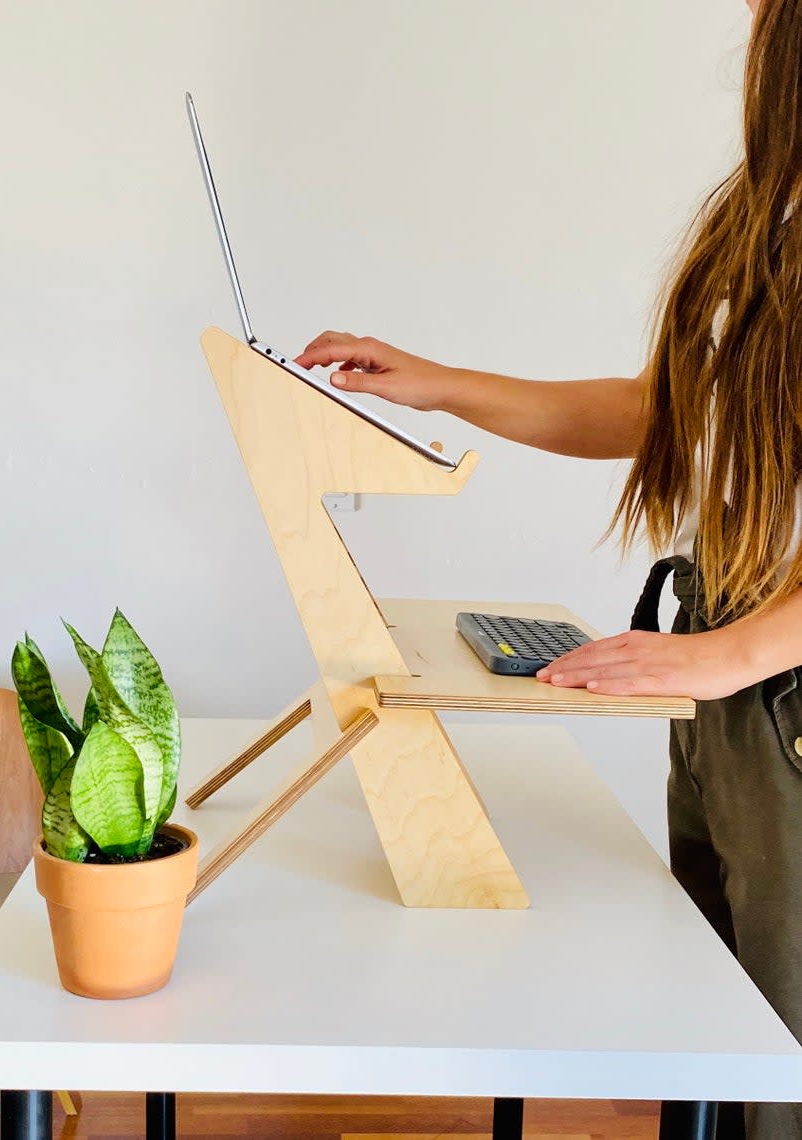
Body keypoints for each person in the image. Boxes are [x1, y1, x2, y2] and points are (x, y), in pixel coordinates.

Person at [296, 1, 799, 1137]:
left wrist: (729, 655)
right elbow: (670, 414)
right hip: (730, 683)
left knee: (773, 1064)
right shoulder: (762, 218)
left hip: (766, 682)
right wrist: (439, 383)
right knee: (713, 1046)